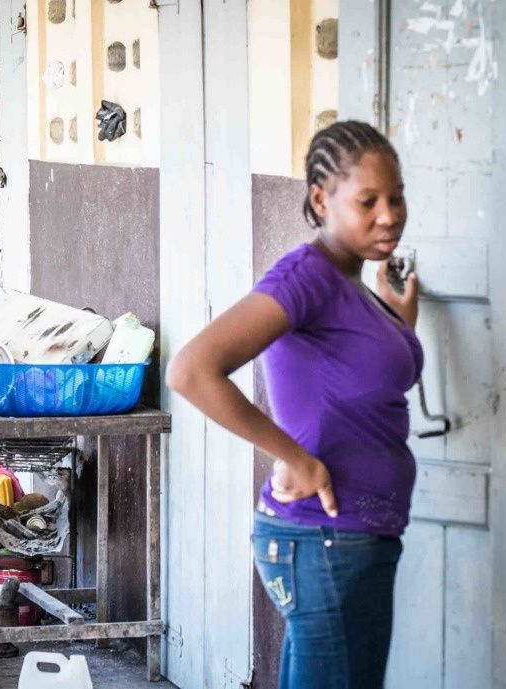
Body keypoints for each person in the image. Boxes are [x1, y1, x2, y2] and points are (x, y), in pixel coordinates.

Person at [165, 121, 421, 689]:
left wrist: (400, 316)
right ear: (321, 199)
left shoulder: (353, 284)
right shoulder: (307, 276)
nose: (389, 214)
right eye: (369, 201)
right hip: (322, 539)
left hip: (358, 536)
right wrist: (294, 457)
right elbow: (191, 370)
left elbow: (364, 384)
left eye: (396, 197)